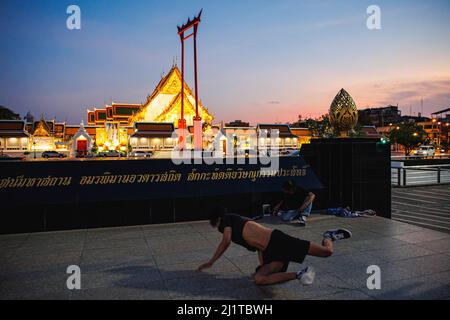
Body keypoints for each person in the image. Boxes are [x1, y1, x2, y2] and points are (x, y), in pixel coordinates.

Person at [197, 211, 352, 286]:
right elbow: (259, 248)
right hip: (271, 252)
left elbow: (225, 241)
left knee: (327, 252)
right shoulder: (237, 233)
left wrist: (211, 261)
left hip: (279, 241)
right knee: (259, 279)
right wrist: (264, 265)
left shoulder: (227, 219)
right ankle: (300, 274)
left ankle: (329, 236)